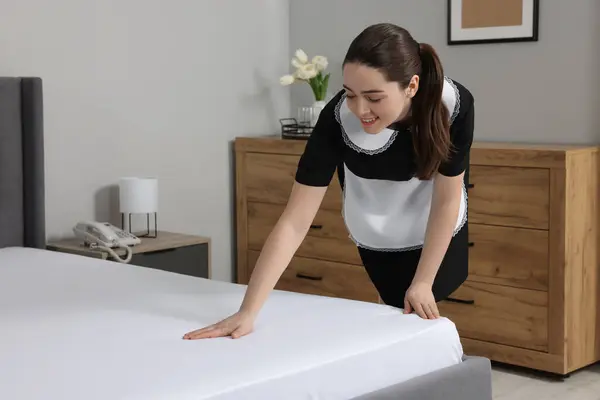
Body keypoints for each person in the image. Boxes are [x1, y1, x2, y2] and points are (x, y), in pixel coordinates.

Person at [183, 22, 474, 340]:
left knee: (427, 302)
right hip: (376, 229)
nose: (360, 109)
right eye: (350, 94)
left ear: (412, 86)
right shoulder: (337, 121)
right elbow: (294, 221)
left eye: (374, 98)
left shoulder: (454, 105)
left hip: (436, 221)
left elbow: (446, 198)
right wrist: (248, 312)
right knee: (392, 308)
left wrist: (423, 280)